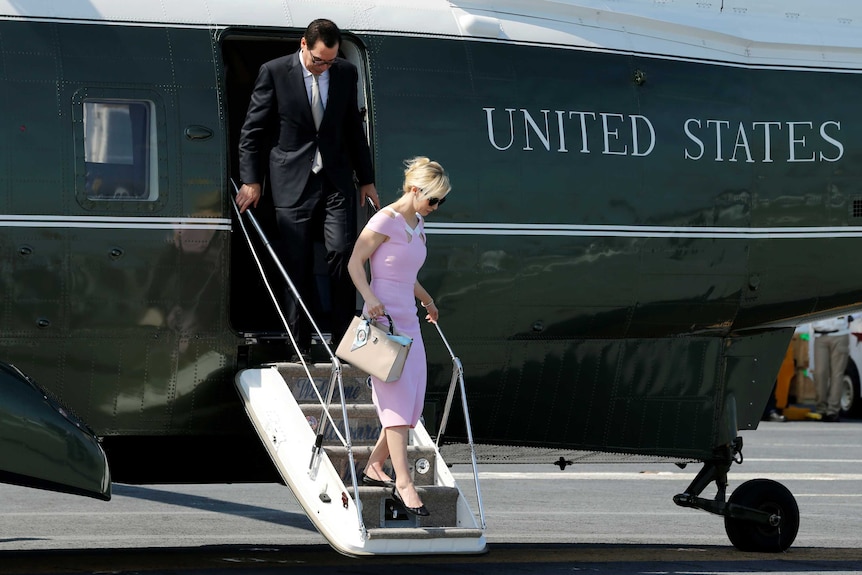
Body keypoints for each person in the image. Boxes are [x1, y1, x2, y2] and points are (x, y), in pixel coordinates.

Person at [236, 18, 379, 359]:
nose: (324, 67)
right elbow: (252, 131)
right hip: (291, 178)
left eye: (330, 61)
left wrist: (367, 178)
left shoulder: (344, 73)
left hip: (335, 179)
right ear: (303, 45)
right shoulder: (274, 72)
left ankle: (344, 344)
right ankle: (297, 346)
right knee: (295, 262)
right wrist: (251, 180)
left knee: (343, 253)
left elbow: (352, 130)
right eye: (319, 60)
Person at [346, 157, 450, 517]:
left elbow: (407, 275)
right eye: (433, 200)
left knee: (414, 404)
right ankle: (403, 482)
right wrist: (370, 298)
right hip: (383, 321)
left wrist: (429, 300)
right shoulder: (385, 219)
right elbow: (355, 263)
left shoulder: (417, 224)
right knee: (395, 402)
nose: (435, 208)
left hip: (409, 319)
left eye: (440, 202)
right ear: (414, 190)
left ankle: (374, 465)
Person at [812, 316, 850, 422]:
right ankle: (821, 408)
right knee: (820, 373)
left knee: (837, 374)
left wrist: (851, 318)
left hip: (840, 333)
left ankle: (833, 410)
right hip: (820, 334)